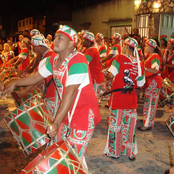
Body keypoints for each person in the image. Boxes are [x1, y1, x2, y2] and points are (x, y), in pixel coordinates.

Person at [3, 25, 101, 168]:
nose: (55, 40)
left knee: (73, 157)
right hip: (67, 114)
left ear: (71, 43)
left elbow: (71, 92)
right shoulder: (53, 60)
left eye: (60, 38)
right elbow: (36, 76)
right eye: (55, 37)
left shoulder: (78, 60)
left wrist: (55, 122)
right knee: (58, 150)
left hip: (83, 116)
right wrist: (15, 82)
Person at [103, 37, 145, 160]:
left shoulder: (119, 58)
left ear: (126, 47)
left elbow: (111, 75)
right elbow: (141, 84)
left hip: (118, 98)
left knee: (115, 126)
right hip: (131, 100)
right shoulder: (139, 63)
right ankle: (129, 152)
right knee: (129, 127)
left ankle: (114, 152)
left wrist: (107, 78)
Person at [137, 39, 164, 131]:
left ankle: (147, 123)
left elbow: (155, 70)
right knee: (148, 103)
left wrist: (143, 68)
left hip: (154, 82)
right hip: (151, 82)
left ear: (151, 48)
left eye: (146, 46)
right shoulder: (151, 56)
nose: (145, 47)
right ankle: (147, 120)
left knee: (150, 104)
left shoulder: (155, 56)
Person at [82, 31, 104, 105]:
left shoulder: (92, 50)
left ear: (89, 41)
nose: (82, 41)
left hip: (95, 78)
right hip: (93, 77)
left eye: (84, 40)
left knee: (92, 100)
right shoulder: (88, 50)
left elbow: (85, 63)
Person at [162, 38, 174, 113]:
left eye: (169, 44)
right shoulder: (165, 52)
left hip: (172, 74)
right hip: (165, 73)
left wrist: (166, 65)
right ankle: (166, 103)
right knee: (166, 89)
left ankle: (171, 106)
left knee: (171, 90)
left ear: (173, 45)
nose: (167, 45)